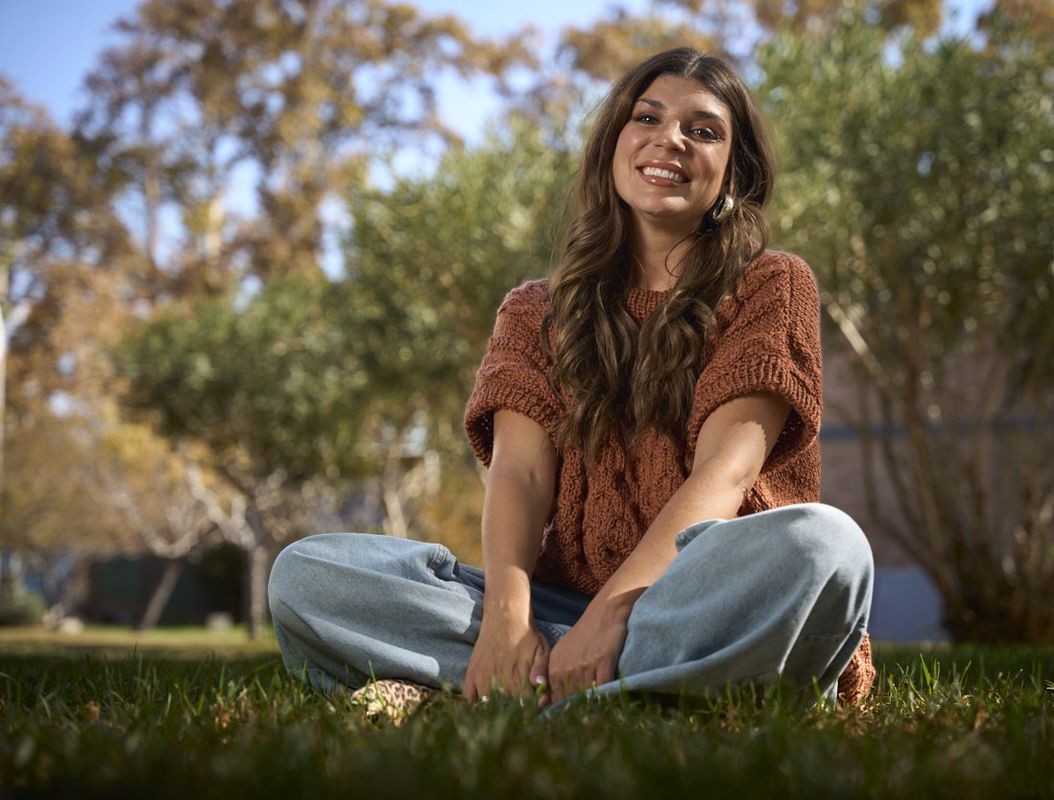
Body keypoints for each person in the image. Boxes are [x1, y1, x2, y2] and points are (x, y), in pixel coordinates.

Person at [268, 47, 875, 719]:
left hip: (702, 601)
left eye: (703, 130)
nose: (670, 139)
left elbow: (725, 476)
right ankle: (620, 692)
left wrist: (612, 617)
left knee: (827, 547)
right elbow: (521, 474)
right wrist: (507, 618)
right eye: (648, 118)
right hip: (563, 606)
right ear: (614, 143)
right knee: (308, 575)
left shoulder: (772, 284)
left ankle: (517, 697)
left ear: (734, 171)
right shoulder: (535, 311)